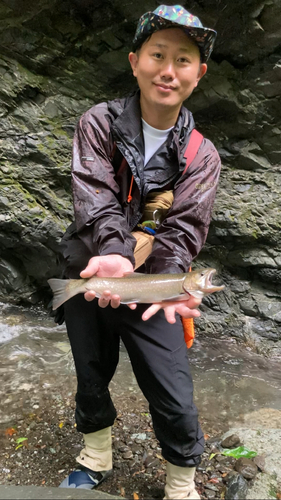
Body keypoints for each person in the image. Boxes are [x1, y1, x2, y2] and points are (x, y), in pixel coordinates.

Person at [57, 5, 220, 499]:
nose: (168, 70)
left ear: (199, 74)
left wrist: (172, 280)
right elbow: (94, 195)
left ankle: (181, 482)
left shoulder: (201, 154)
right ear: (135, 61)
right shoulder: (97, 123)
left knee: (173, 388)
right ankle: (96, 454)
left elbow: (186, 229)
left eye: (184, 60)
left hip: (157, 286)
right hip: (93, 266)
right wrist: (115, 255)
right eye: (157, 55)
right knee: (91, 370)